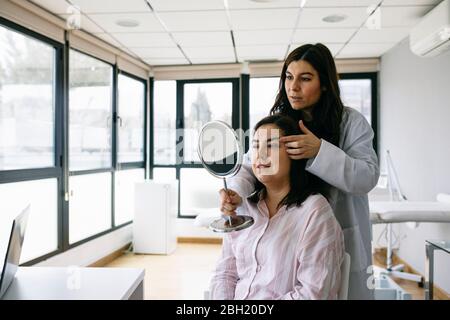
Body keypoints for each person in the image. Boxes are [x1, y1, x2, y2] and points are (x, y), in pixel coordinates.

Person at [220, 43, 379, 300]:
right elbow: (252, 165)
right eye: (289, 77)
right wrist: (236, 193)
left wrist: (319, 151)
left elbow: (367, 177)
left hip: (333, 228)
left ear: (325, 83)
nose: (293, 87)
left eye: (305, 79)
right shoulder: (280, 121)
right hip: (286, 237)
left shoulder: (350, 122)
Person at [210, 115, 344, 300]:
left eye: (271, 145)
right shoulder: (243, 209)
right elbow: (224, 274)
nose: (260, 154)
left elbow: (314, 293)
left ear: (294, 153)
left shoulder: (315, 212)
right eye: (256, 146)